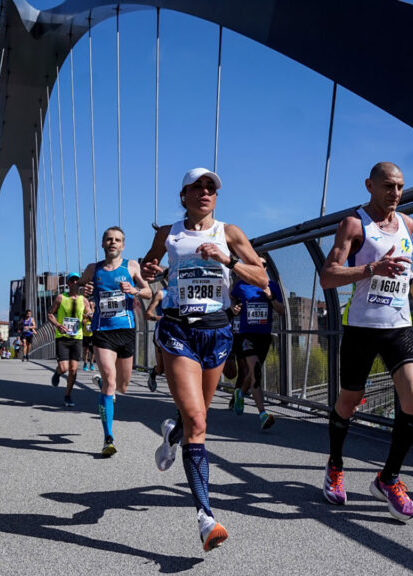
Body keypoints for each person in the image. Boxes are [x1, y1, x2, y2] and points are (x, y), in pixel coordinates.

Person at [143, 167, 266, 551]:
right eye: (197, 187)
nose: (205, 192)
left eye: (211, 187)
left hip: (217, 332)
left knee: (193, 418)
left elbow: (261, 279)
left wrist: (227, 260)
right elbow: (149, 266)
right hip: (178, 330)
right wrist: (151, 270)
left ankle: (171, 435)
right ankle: (205, 517)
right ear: (184, 196)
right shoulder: (169, 233)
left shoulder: (230, 233)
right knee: (197, 420)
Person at [318, 162, 413, 522]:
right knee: (348, 403)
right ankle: (335, 466)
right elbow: (327, 276)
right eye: (388, 186)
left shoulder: (408, 224)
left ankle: (389, 479)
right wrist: (370, 269)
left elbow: (404, 268)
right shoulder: (353, 225)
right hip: (361, 327)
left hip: (398, 326)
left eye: (400, 186)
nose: (395, 193)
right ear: (369, 185)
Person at [81, 226, 152, 457]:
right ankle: (108, 438)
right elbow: (80, 288)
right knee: (110, 383)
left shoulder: (131, 266)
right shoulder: (93, 269)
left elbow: (148, 292)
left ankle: (105, 383)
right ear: (103, 244)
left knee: (122, 386)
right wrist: (85, 289)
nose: (113, 242)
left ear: (123, 245)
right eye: (109, 239)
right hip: (102, 331)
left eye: (117, 240)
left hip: (126, 330)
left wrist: (135, 290)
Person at [228, 255, 285, 430]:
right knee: (256, 372)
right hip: (247, 335)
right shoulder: (241, 285)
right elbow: (231, 296)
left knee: (253, 373)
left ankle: (240, 392)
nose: (261, 266)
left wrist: (271, 298)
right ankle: (263, 414)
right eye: (257, 263)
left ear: (266, 268)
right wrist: (233, 307)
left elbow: (281, 310)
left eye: (264, 264)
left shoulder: (272, 286)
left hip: (264, 336)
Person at [47, 272, 93, 408]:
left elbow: (89, 313)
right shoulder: (61, 297)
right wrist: (57, 325)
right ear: (68, 283)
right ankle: (58, 372)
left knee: (73, 369)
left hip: (77, 338)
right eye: (72, 280)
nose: (75, 282)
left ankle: (67, 395)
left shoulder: (83, 300)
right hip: (62, 338)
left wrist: (90, 315)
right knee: (64, 368)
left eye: (77, 280)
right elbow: (50, 314)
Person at [145, 288, 166, 392]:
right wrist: (163, 319)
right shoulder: (161, 293)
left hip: (180, 334)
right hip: (162, 333)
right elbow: (147, 314)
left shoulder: (185, 292)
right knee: (161, 369)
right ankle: (153, 373)